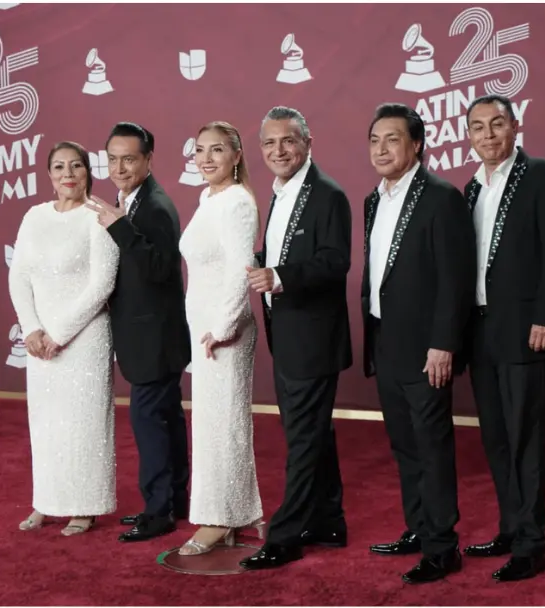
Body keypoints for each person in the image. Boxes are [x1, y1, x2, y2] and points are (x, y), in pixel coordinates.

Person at [361, 103, 475, 584]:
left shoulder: (441, 198)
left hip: (426, 347)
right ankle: (419, 528)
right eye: (374, 140)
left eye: (392, 139)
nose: (381, 149)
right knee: (404, 444)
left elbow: (455, 279)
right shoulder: (374, 199)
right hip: (385, 339)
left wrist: (443, 344)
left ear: (417, 145)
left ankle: (442, 546)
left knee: (431, 445)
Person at [240, 106, 352, 570]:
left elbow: (334, 261)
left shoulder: (327, 195)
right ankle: (329, 521)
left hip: (312, 338)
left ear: (307, 143)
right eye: (269, 143)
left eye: (287, 140)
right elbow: (287, 250)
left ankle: (285, 536)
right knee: (313, 433)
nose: (278, 150)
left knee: (303, 438)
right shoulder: (280, 194)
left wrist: (278, 275)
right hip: (286, 335)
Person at [461, 94, 545, 582]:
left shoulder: (544, 176)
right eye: (478, 127)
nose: (488, 134)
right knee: (497, 436)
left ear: (515, 125)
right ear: (469, 135)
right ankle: (510, 526)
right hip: (480, 330)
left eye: (497, 124)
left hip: (526, 328)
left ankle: (532, 543)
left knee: (525, 436)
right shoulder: (470, 190)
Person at [85, 122, 192, 542]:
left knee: (150, 421)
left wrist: (119, 227)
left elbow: (159, 268)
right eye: (112, 159)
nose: (119, 167)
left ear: (149, 159)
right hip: (147, 336)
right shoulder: (129, 200)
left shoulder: (156, 207)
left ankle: (158, 511)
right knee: (165, 419)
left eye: (129, 159)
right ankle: (173, 502)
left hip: (155, 339)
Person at [8, 141, 120, 536]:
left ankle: (84, 506)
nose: (67, 173)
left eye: (75, 165)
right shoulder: (34, 216)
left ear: (88, 171)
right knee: (47, 423)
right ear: (49, 174)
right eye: (59, 166)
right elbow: (19, 276)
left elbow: (102, 284)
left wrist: (58, 334)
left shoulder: (99, 217)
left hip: (84, 337)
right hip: (40, 341)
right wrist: (32, 328)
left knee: (84, 424)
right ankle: (46, 502)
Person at [175, 121, 263, 556]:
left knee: (224, 425)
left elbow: (239, 269)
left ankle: (218, 519)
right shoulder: (206, 198)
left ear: (236, 155)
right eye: (199, 150)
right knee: (211, 426)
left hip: (224, 331)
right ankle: (231, 514)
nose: (206, 158)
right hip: (203, 328)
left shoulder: (236, 203)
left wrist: (224, 328)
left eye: (216, 150)